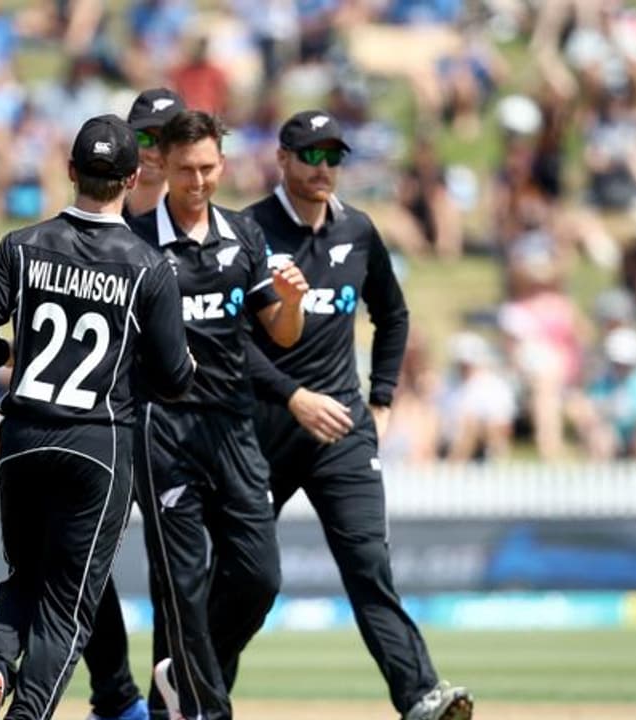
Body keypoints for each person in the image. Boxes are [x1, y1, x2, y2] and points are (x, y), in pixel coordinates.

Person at [0, 114, 195, 720]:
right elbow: (175, 378)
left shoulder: (22, 245)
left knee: (24, 575)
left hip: (24, 436)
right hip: (96, 443)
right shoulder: (148, 267)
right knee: (67, 606)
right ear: (133, 179)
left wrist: (10, 355)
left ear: (69, 171)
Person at [243, 110, 473, 720]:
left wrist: (383, 399)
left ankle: (421, 695)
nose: (323, 168)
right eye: (310, 155)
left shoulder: (358, 230)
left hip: (341, 431)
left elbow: (393, 315)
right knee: (246, 581)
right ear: (282, 159)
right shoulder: (246, 232)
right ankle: (195, 693)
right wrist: (292, 396)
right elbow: (228, 341)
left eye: (333, 156)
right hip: (262, 429)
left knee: (370, 564)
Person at [126, 109, 308, 720]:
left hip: (234, 428)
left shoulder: (244, 235)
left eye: (207, 168)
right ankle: (208, 708)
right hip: (163, 429)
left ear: (223, 164)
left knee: (260, 578)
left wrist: (292, 303)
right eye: (186, 169)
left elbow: (280, 334)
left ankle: (182, 673)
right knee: (181, 583)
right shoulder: (134, 241)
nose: (198, 181)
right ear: (163, 165)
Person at [77, 85, 187, 720]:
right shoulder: (102, 224)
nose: (153, 149)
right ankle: (116, 695)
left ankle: (171, 694)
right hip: (108, 419)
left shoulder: (209, 226)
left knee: (182, 571)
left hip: (185, 422)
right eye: (143, 137)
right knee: (85, 560)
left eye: (164, 138)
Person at [124, 87, 185, 217]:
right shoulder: (99, 211)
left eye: (166, 142)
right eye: (143, 138)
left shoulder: (191, 223)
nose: (153, 154)